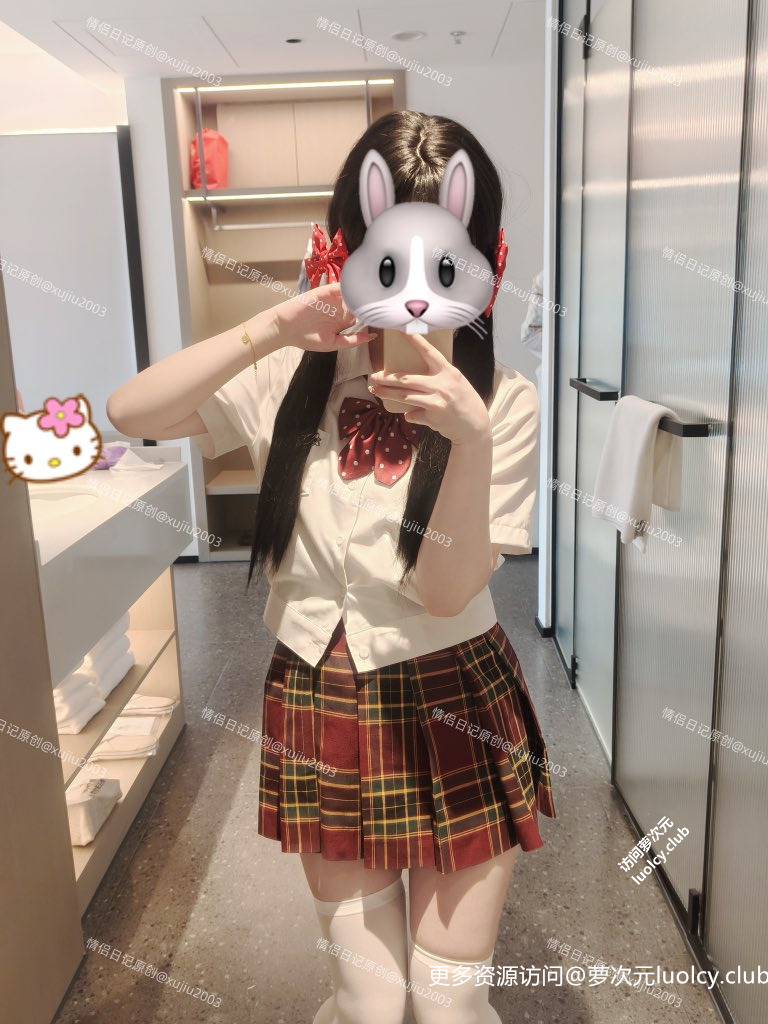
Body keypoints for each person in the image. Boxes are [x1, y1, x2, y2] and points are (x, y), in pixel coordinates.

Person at [107, 109, 556, 1024]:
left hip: (455, 691)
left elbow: (445, 591)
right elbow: (131, 411)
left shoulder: (504, 404)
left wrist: (467, 441)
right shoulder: (290, 380)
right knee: (368, 1003)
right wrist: (278, 323)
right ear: (342, 248)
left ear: (484, 263)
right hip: (322, 692)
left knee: (448, 1003)